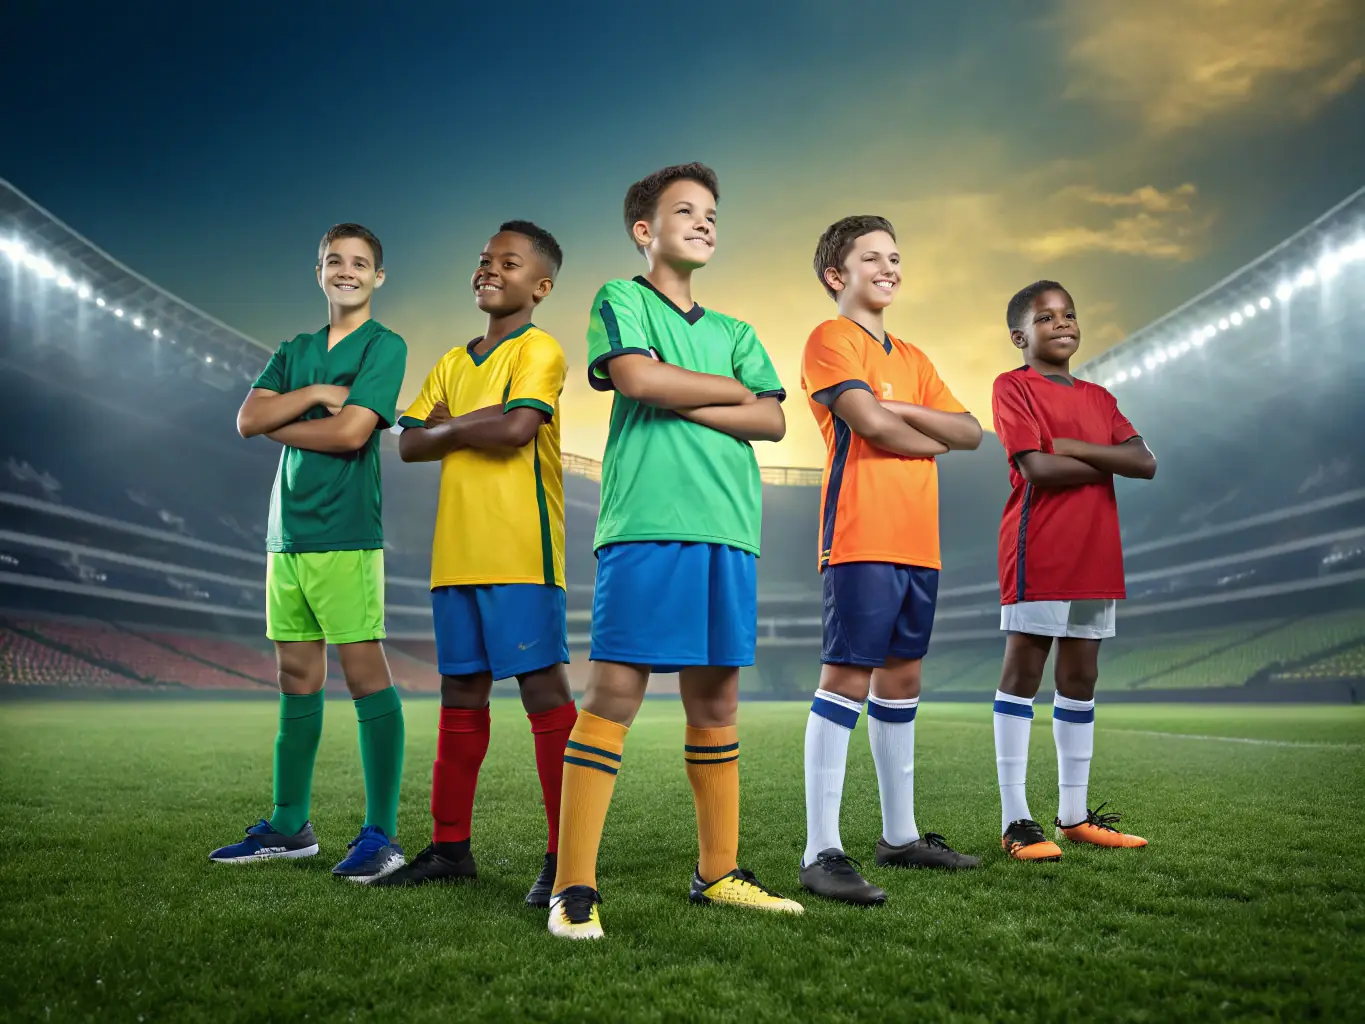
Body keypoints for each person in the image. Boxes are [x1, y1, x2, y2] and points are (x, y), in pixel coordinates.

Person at [548, 163, 802, 940]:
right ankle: (572, 888)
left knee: (717, 704)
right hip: (645, 525)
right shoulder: (620, 298)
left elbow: (774, 423)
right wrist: (722, 392)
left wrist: (681, 387)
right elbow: (634, 378)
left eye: (711, 213)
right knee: (613, 695)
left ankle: (717, 872)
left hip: (728, 529)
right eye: (684, 211)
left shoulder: (738, 331)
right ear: (643, 230)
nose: (703, 222)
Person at [375, 221, 576, 906]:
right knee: (461, 695)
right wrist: (466, 423)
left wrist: (448, 426)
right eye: (484, 259)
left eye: (508, 263)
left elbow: (517, 427)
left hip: (521, 550)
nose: (489, 269)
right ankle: (450, 848)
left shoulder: (539, 348)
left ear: (539, 286)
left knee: (542, 694)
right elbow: (407, 444)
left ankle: (565, 857)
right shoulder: (453, 361)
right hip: (454, 558)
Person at [210, 223, 408, 883]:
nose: (346, 271)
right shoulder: (293, 350)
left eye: (359, 263)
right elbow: (245, 420)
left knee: (363, 676)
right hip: (285, 535)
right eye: (334, 261)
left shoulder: (384, 345)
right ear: (318, 270)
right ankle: (290, 825)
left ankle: (381, 835)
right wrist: (321, 395)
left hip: (345, 532)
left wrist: (282, 421)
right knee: (295, 677)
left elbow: (354, 434)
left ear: (378, 277)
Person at [798, 215, 984, 905]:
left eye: (894, 257)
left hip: (918, 543)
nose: (888, 267)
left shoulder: (912, 356)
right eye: (870, 257)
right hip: (861, 536)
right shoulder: (829, 340)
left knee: (901, 679)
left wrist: (901, 406)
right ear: (835, 275)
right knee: (846, 677)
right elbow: (868, 424)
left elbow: (967, 433)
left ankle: (899, 837)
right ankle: (820, 851)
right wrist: (915, 427)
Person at [991, 280, 1156, 861]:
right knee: (1024, 672)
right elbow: (1037, 467)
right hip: (1041, 552)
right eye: (1046, 317)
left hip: (1095, 555)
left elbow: (1145, 462)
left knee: (1080, 678)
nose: (1062, 323)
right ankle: (1016, 821)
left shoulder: (1099, 398)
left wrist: (1076, 448)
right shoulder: (1014, 386)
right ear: (1020, 336)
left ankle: (1074, 815)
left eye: (1069, 314)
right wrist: (1097, 457)